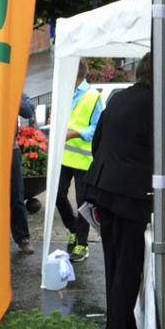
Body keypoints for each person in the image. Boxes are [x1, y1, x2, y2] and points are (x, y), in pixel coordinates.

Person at [83, 53, 153, 329]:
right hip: (129, 195)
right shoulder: (157, 104)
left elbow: (96, 142)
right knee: (128, 269)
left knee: (115, 266)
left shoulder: (119, 97)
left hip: (103, 188)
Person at [56, 61, 102, 262]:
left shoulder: (93, 96)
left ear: (76, 75)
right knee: (57, 195)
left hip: (83, 159)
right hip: (64, 156)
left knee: (83, 202)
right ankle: (73, 229)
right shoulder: (64, 92)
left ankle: (82, 244)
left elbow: (96, 128)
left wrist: (73, 134)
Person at [11, 92, 35, 255]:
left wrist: (9, 93)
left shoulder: (15, 88)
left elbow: (28, 111)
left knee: (16, 194)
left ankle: (22, 238)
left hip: (10, 150)